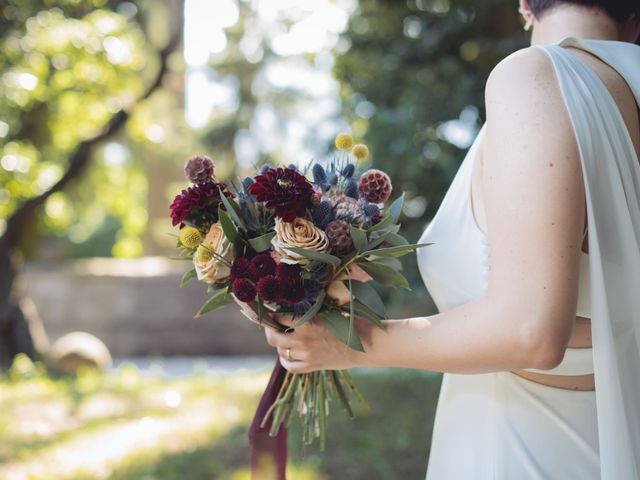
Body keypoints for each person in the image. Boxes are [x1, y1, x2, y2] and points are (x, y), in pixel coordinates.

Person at [261, 1, 640, 478]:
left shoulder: (535, 79)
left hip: (523, 456)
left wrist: (350, 344)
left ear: (525, 5)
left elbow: (533, 332)